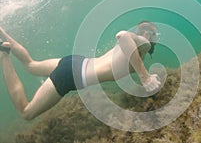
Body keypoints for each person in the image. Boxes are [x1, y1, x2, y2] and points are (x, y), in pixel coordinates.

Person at [0, 21, 161, 121]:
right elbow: (122, 35)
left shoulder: (135, 51)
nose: (156, 39)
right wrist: (145, 77)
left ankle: (2, 32)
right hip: (72, 75)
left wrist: (147, 75)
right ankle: (3, 54)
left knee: (31, 65)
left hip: (76, 62)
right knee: (26, 113)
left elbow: (127, 44)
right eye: (155, 35)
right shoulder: (143, 44)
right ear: (147, 34)